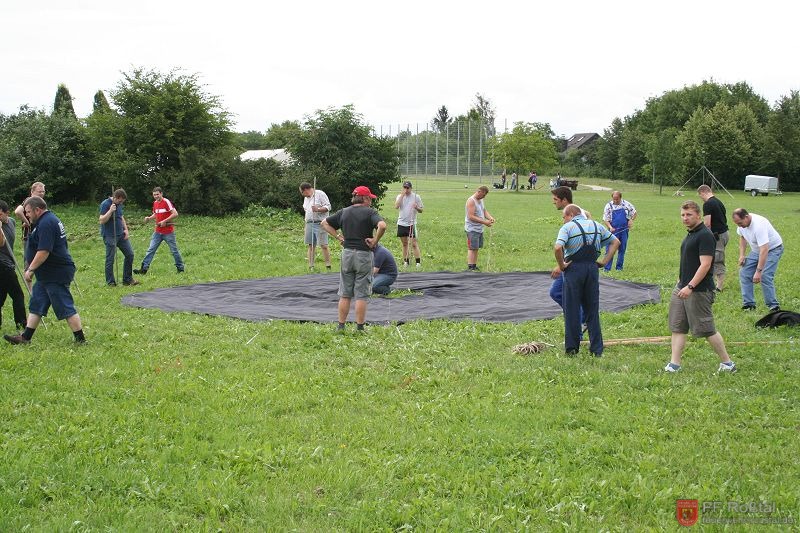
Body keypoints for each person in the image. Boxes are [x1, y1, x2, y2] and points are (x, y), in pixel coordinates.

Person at [664, 201, 736, 372]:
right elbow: (689, 261)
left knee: (707, 329)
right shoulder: (691, 233)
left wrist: (690, 286)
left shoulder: (704, 235)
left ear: (698, 215)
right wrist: (681, 280)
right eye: (682, 215)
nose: (685, 218)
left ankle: (727, 363)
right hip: (682, 287)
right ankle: (675, 364)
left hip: (698, 291)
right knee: (678, 326)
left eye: (689, 215)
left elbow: (705, 265)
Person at [4, 196, 86, 345]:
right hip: (47, 274)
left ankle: (81, 340)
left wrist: (30, 269)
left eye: (28, 212)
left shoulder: (47, 223)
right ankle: (26, 338)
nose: (26, 215)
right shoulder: (45, 220)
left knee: (64, 305)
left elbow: (44, 251)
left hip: (56, 272)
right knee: (37, 303)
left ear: (37, 209)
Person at [554, 204, 619, 357]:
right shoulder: (597, 225)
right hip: (592, 269)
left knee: (571, 309)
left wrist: (561, 265)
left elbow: (558, 248)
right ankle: (597, 349)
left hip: (573, 270)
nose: (563, 221)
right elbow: (615, 242)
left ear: (570, 214)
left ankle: (572, 349)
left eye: (564, 217)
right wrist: (604, 261)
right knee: (592, 310)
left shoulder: (568, 227)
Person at [321, 185, 386, 331]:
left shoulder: (344, 212)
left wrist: (338, 236)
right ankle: (360, 328)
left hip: (347, 254)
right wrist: (375, 241)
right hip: (364, 255)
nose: (371, 201)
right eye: (370, 198)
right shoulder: (370, 212)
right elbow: (382, 226)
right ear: (365, 198)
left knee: (345, 293)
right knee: (361, 294)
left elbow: (324, 223)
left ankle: (341, 326)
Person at [732, 208, 783, 312]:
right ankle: (749, 305)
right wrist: (742, 255)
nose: (739, 226)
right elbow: (742, 237)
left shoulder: (759, 225)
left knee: (765, 275)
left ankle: (773, 306)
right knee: (744, 272)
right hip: (757, 250)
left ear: (746, 217)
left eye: (740, 223)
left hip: (773, 249)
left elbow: (764, 250)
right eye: (737, 224)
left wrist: (758, 271)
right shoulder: (742, 224)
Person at [134, 187, 185, 275]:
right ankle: (144, 269)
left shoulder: (166, 202)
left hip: (168, 232)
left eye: (157, 194)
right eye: (154, 195)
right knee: (151, 250)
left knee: (174, 251)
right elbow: (156, 213)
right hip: (157, 231)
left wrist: (165, 221)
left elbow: (175, 214)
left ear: (161, 193)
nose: (156, 196)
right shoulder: (155, 203)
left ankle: (180, 269)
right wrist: (149, 218)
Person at [99, 189, 138, 287]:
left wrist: (126, 230)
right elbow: (102, 220)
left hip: (121, 234)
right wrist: (110, 211)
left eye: (122, 202)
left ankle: (127, 279)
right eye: (120, 201)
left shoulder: (119, 204)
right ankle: (111, 282)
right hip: (109, 235)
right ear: (115, 197)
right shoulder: (105, 204)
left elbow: (121, 217)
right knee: (110, 259)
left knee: (130, 254)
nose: (121, 203)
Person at [0, 200, 27, 331]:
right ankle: (22, 325)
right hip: (3, 265)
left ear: (6, 213)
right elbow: (1, 243)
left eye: (0, 214)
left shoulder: (11, 221)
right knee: (18, 295)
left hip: (8, 262)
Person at [697, 184, 728, 292]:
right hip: (724, 234)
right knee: (714, 258)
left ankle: (719, 287)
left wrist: (701, 236)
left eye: (700, 196)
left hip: (717, 235)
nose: (701, 198)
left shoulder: (708, 204)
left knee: (717, 259)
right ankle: (714, 283)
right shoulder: (718, 202)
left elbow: (707, 224)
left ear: (703, 192)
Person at [299, 182, 332, 270]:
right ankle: (311, 266)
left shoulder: (320, 194)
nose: (303, 195)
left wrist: (318, 209)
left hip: (320, 223)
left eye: (302, 193)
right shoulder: (306, 198)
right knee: (311, 245)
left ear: (306, 190)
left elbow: (328, 207)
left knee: (323, 245)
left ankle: (328, 265)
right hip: (309, 223)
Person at [601, 191, 637, 271]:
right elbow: (605, 219)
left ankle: (619, 268)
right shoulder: (608, 206)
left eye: (617, 199)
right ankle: (607, 268)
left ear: (620, 198)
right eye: (614, 199)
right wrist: (610, 227)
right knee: (610, 249)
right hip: (613, 231)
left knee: (622, 249)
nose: (615, 201)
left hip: (624, 230)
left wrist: (631, 220)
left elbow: (634, 212)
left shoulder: (626, 204)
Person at [14, 182, 46, 269]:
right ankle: (28, 281)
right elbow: (18, 211)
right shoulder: (29, 201)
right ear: (32, 192)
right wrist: (28, 223)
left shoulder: (40, 203)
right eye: (39, 192)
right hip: (29, 236)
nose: (42, 194)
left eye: (43, 191)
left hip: (40, 235)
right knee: (28, 262)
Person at [464, 185, 495, 271]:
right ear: (479, 191)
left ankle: (474, 265)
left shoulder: (481, 200)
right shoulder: (471, 201)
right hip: (472, 229)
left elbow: (484, 210)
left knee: (476, 247)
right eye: (483, 195)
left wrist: (490, 218)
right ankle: (470, 267)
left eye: (485, 195)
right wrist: (485, 222)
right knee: (472, 248)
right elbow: (471, 216)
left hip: (479, 228)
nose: (484, 197)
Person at [394, 180, 424, 268]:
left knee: (413, 243)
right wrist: (402, 195)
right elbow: (396, 206)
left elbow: (421, 210)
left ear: (411, 188)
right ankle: (406, 262)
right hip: (401, 223)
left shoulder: (416, 197)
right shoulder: (400, 196)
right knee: (404, 244)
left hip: (411, 223)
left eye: (408, 188)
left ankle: (418, 263)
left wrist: (417, 207)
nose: (406, 189)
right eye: (404, 187)